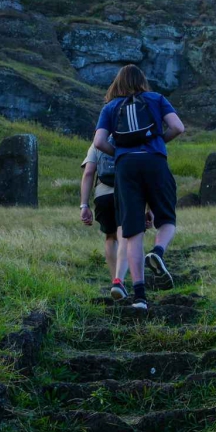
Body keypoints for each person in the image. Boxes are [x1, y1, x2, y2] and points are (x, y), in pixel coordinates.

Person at [91, 64, 184, 311]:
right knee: (166, 219)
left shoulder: (110, 107)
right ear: (142, 80)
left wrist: (120, 153)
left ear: (118, 83)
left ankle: (140, 297)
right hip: (154, 161)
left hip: (125, 168)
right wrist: (158, 143)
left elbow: (99, 142)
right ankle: (158, 252)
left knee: (132, 232)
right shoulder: (157, 99)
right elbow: (178, 127)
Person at [79, 134, 129, 300]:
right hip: (127, 192)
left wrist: (84, 205)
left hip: (103, 194)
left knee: (110, 237)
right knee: (125, 235)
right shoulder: (130, 137)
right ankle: (121, 280)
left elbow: (88, 173)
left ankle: (114, 279)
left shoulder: (97, 143)